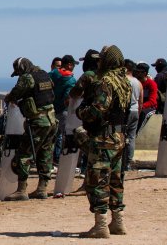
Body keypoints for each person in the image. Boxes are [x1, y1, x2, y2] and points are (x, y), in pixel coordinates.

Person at [75, 45, 131, 238]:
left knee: (97, 181)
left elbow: (99, 108)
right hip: (119, 136)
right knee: (115, 180)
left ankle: (100, 226)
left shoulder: (105, 81)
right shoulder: (124, 82)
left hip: (103, 138)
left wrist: (81, 112)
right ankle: (118, 222)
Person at [3, 57, 57, 200]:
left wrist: (9, 98)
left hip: (38, 121)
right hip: (51, 120)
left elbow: (16, 93)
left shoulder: (27, 77)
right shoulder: (44, 74)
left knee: (24, 153)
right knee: (45, 153)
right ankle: (42, 189)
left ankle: (21, 190)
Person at [51, 54, 78, 164]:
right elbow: (68, 99)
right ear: (70, 65)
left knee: (51, 136)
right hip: (63, 111)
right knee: (64, 136)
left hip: (51, 109)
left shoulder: (54, 73)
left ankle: (49, 161)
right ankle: (62, 160)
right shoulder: (71, 79)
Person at [123, 65, 142, 171]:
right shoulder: (138, 82)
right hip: (135, 111)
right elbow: (141, 100)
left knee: (120, 135)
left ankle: (120, 161)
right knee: (131, 137)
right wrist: (138, 112)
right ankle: (129, 163)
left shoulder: (123, 81)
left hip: (125, 112)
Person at [135, 63, 158, 133]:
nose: (136, 74)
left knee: (143, 114)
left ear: (144, 73)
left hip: (150, 108)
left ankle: (137, 133)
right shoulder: (135, 83)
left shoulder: (151, 84)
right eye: (136, 72)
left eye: (139, 72)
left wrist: (141, 106)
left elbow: (152, 101)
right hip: (138, 106)